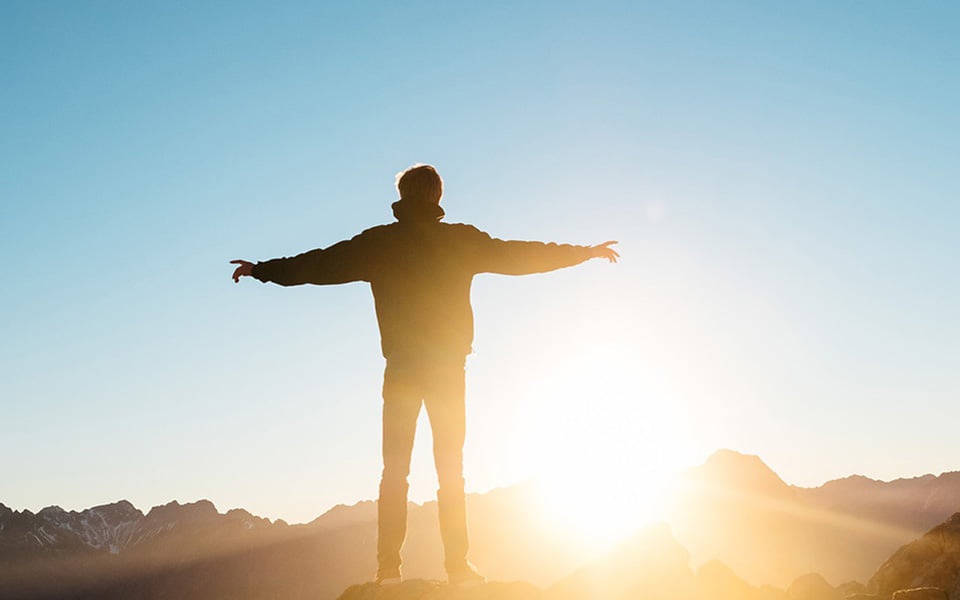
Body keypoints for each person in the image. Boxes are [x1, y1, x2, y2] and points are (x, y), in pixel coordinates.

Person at [231, 164, 618, 585]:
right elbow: (521, 255)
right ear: (437, 197)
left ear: (402, 196)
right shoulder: (460, 241)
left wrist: (261, 270)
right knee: (451, 470)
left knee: (394, 471)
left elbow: (319, 264)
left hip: (401, 369)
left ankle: (388, 570)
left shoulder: (379, 243)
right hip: (448, 370)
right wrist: (584, 252)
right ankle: (458, 569)